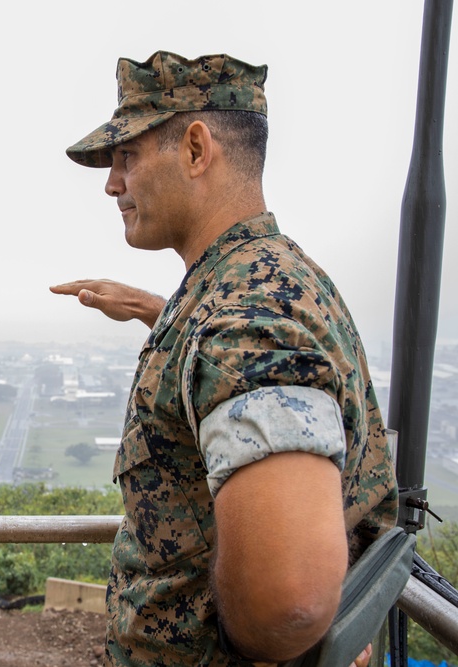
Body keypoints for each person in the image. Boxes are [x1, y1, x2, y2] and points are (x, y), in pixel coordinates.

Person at [51, 51, 398, 665]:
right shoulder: (255, 282)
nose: (111, 182)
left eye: (126, 156)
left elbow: (286, 603)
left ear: (194, 149)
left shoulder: (246, 319)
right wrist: (165, 313)